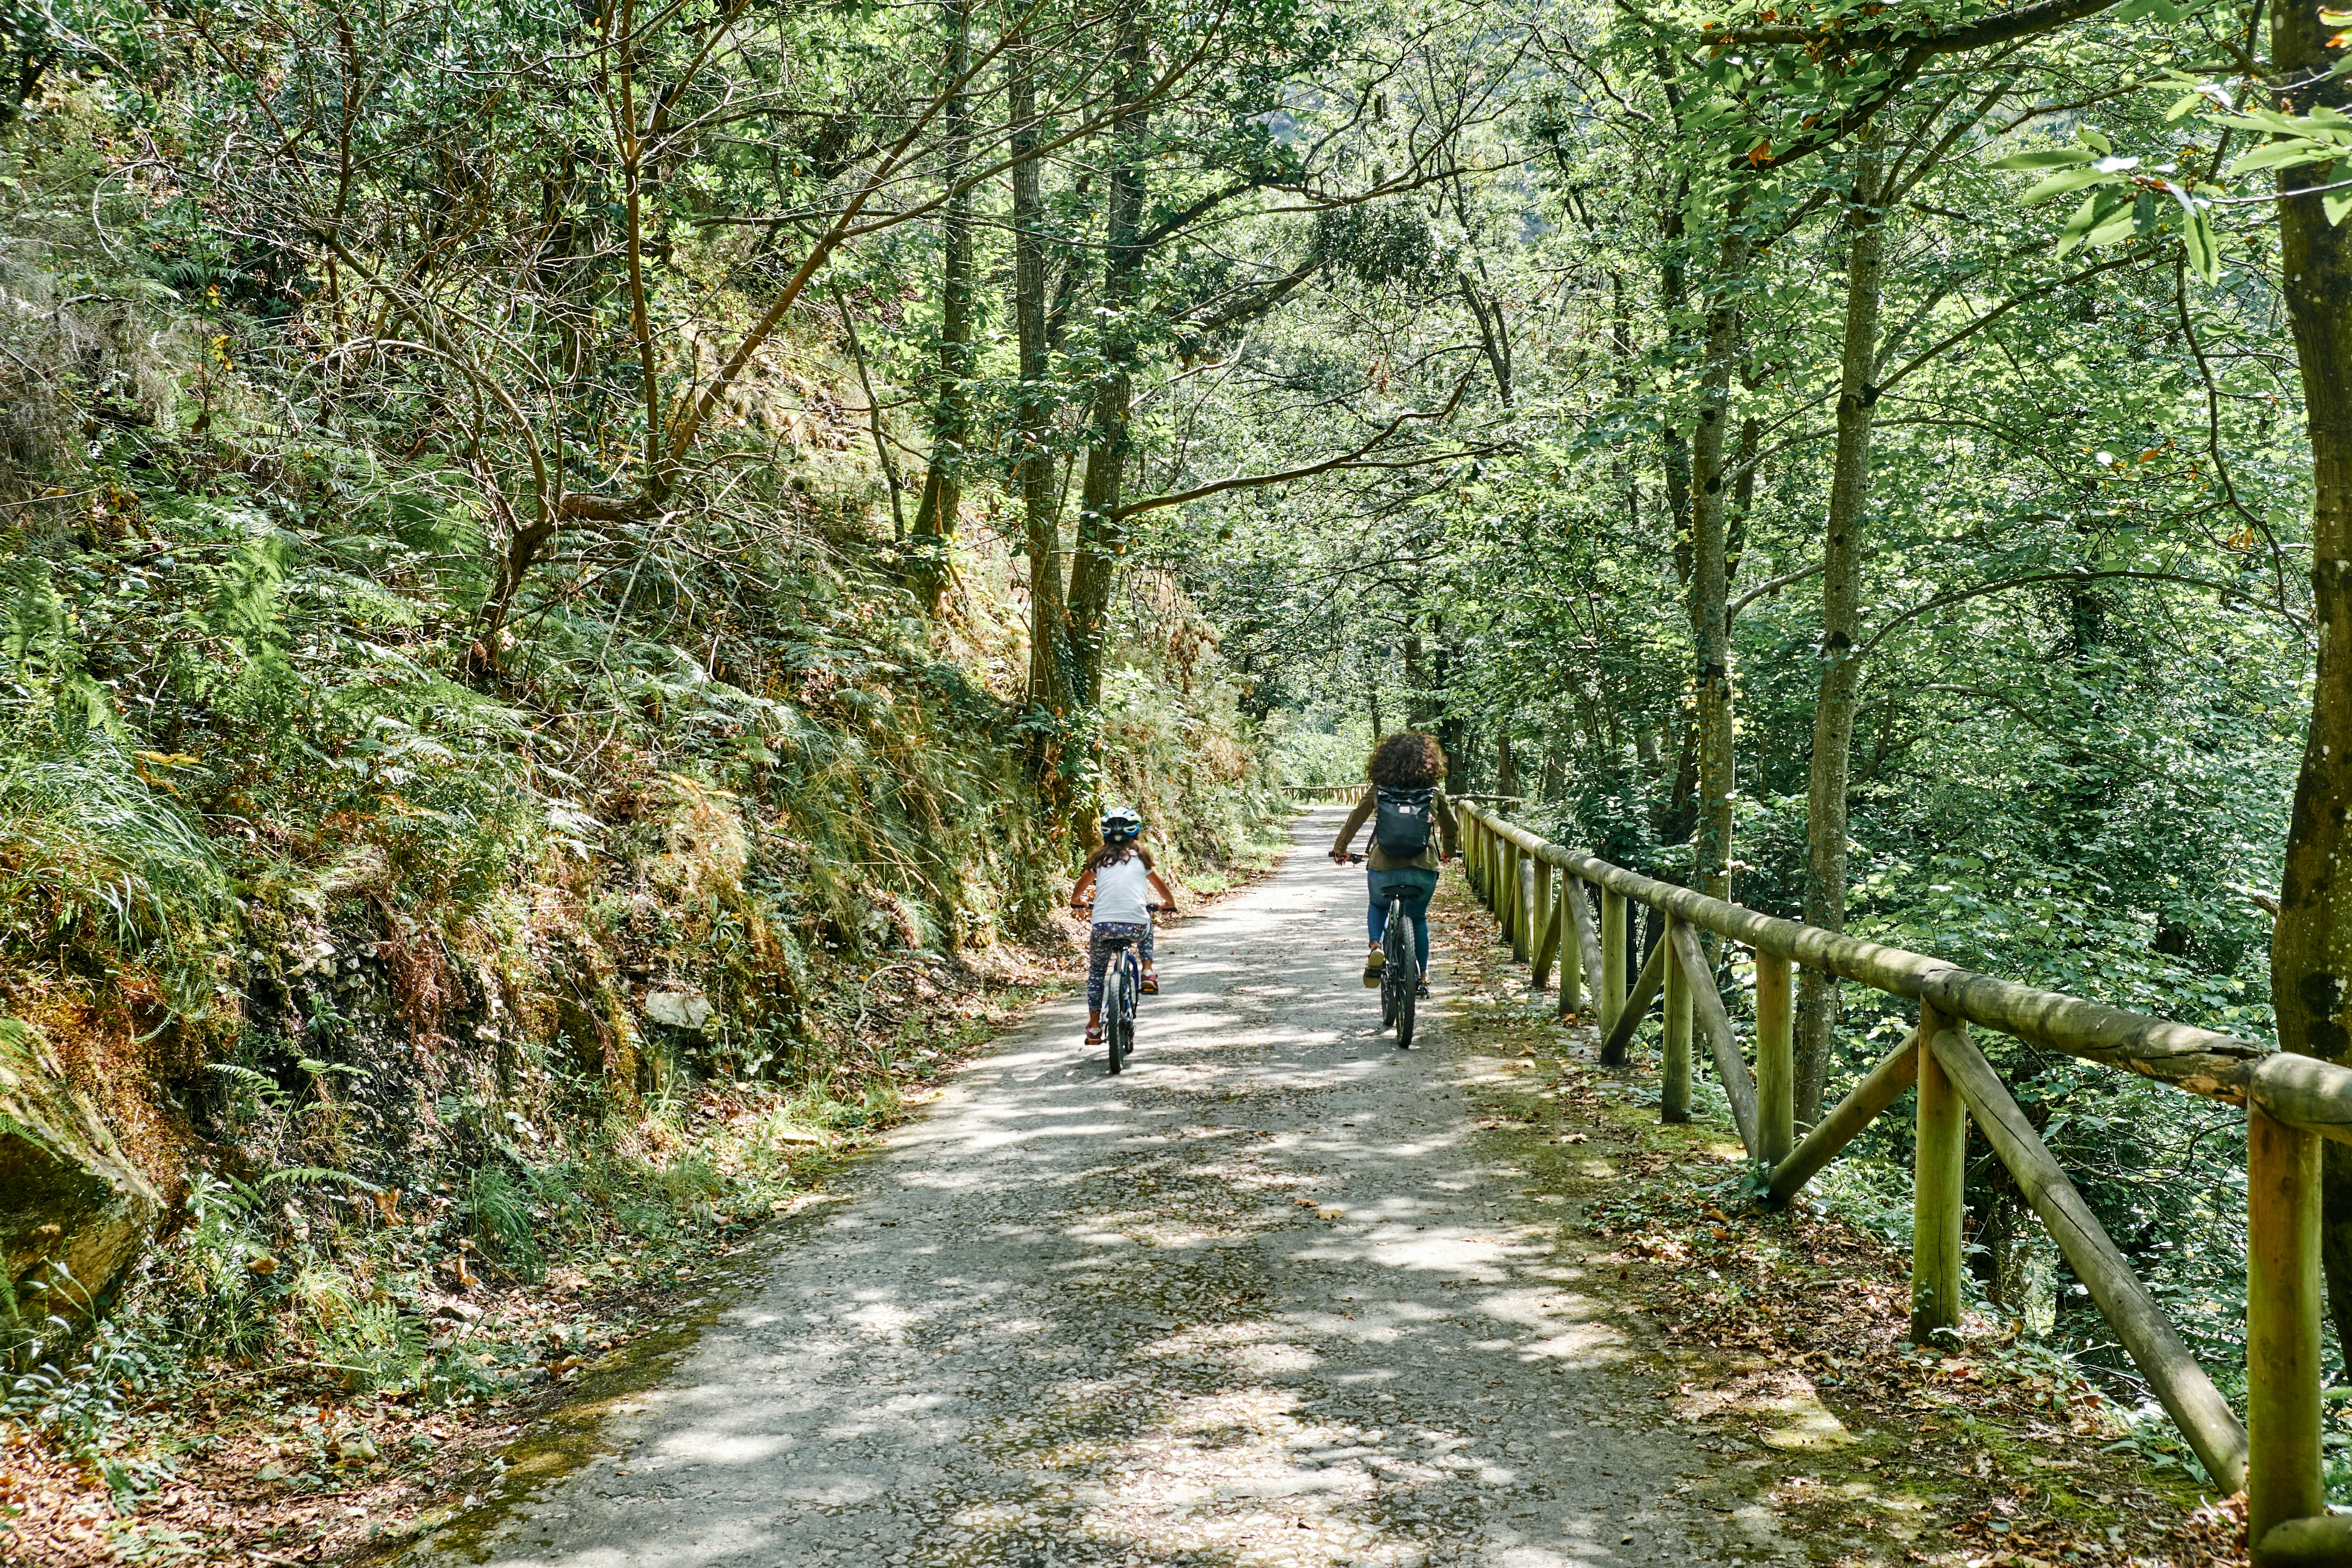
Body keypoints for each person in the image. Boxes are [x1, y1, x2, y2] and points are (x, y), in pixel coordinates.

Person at [1328, 732, 1458, 992]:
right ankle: (1422, 975)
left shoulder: (1379, 790)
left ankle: (1376, 946)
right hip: (1423, 870)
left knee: (1378, 904)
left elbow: (1356, 819)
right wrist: (1448, 852)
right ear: (1429, 762)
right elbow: (1452, 825)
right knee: (1418, 918)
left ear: (1384, 761)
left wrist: (1341, 849)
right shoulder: (1433, 792)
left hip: (1383, 867)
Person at [1069, 807, 1180, 1049]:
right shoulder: (1142, 858)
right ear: (1136, 834)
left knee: (1097, 974)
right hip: (1135, 925)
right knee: (1146, 925)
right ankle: (1148, 971)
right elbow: (1162, 889)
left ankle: (1095, 1027)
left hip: (1103, 926)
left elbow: (1080, 887)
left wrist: (1077, 901)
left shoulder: (1098, 860)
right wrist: (1168, 905)